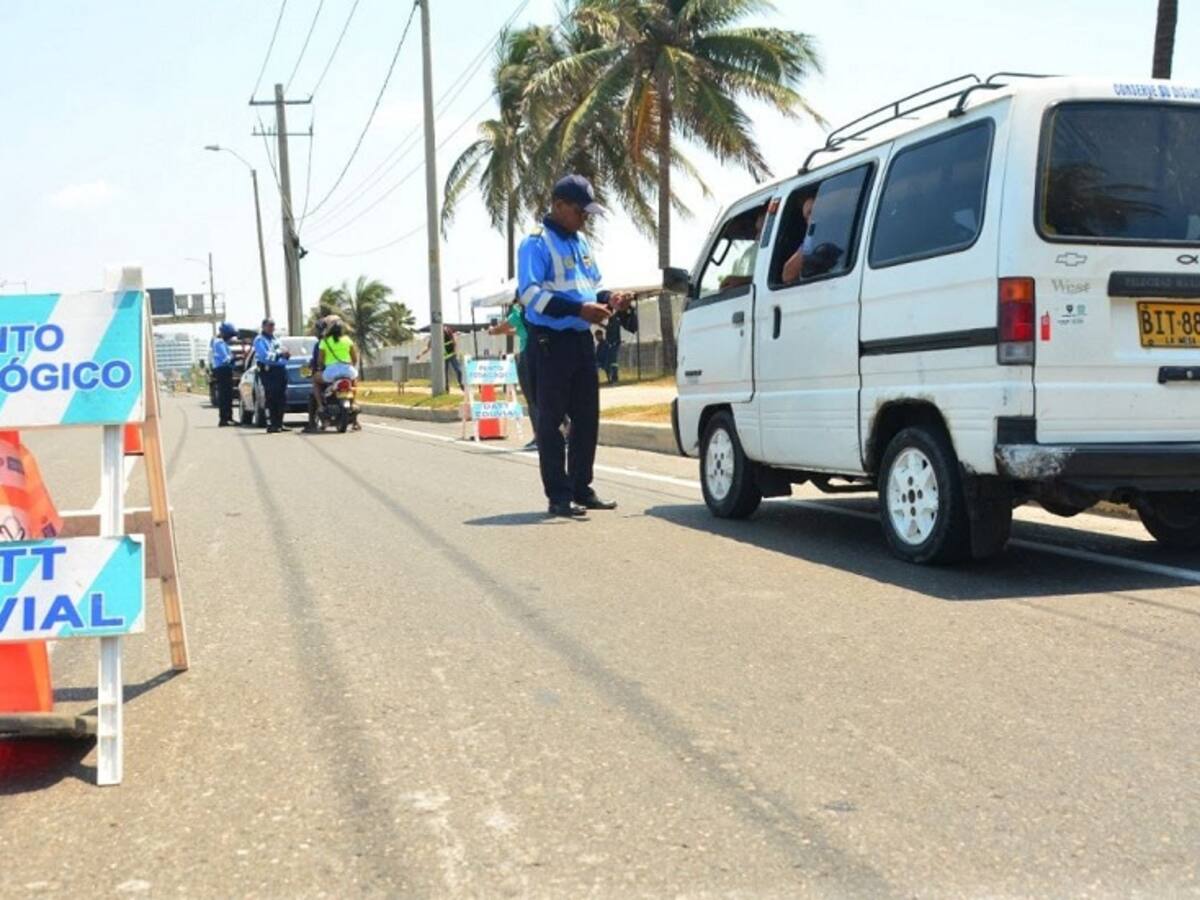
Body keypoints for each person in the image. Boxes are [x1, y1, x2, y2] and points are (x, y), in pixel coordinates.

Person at [518, 173, 634, 518]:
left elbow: (588, 288)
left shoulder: (581, 243)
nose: (585, 218)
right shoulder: (535, 243)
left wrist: (609, 298)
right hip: (549, 343)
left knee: (586, 418)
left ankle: (581, 487)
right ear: (558, 206)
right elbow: (530, 295)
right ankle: (558, 495)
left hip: (581, 340)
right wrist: (578, 309)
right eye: (580, 211)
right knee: (552, 422)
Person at [488, 301, 538, 450]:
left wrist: (492, 330)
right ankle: (566, 431)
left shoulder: (517, 313)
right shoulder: (537, 312)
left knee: (532, 398)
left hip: (527, 355)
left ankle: (539, 436)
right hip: (544, 354)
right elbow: (518, 330)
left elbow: (500, 328)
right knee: (549, 395)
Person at [316, 317, 361, 430]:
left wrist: (321, 368)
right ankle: (354, 402)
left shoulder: (324, 341)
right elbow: (354, 358)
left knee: (314, 380)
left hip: (331, 373)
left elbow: (320, 360)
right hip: (347, 371)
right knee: (354, 380)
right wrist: (350, 365)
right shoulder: (347, 340)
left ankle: (320, 406)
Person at [252, 317, 290, 433]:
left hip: (280, 370)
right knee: (271, 397)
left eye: (273, 325)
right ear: (263, 326)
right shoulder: (259, 340)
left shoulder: (275, 339)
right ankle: (272, 424)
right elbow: (265, 357)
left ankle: (279, 423)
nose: (272, 328)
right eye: (269, 325)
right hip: (268, 372)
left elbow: (284, 352)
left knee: (281, 398)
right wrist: (280, 354)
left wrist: (286, 354)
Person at [782, 195, 817, 284]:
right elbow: (787, 274)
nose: (810, 219)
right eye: (806, 217)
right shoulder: (812, 241)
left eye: (811, 212)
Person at [417, 324, 464, 390]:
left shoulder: (447, 331)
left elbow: (454, 342)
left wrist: (455, 352)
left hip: (452, 355)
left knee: (459, 370)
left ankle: (461, 383)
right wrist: (420, 354)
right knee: (444, 375)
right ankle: (446, 389)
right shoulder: (433, 336)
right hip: (443, 358)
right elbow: (428, 347)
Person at [600, 304, 637, 385]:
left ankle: (615, 378)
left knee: (613, 362)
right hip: (610, 344)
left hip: (614, 344)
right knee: (609, 362)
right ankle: (611, 378)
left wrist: (612, 343)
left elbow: (612, 331)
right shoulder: (611, 319)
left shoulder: (615, 320)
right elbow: (609, 328)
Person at [211, 322, 236, 427]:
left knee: (228, 395)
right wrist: (234, 359)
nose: (231, 338)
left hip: (225, 370)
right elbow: (226, 358)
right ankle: (224, 419)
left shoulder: (223, 343)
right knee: (225, 395)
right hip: (222, 370)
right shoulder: (219, 343)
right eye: (230, 335)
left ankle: (229, 417)